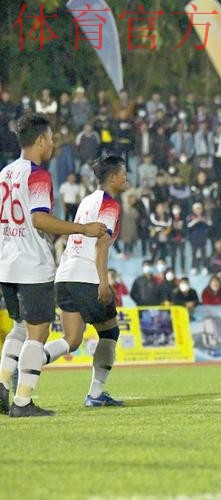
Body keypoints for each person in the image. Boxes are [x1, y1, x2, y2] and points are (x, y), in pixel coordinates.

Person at [0, 113, 107, 417]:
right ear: (42, 141)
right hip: (31, 265)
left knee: (19, 327)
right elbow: (39, 218)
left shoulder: (5, 172)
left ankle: (2, 384)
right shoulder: (38, 175)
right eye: (52, 139)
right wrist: (82, 228)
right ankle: (22, 402)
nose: (53, 145)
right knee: (38, 334)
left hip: (6, 264)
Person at [43, 155, 128, 407]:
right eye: (123, 173)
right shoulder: (110, 204)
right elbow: (101, 244)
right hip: (86, 276)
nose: (125, 178)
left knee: (71, 340)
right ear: (112, 177)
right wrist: (104, 282)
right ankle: (95, 394)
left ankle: (24, 364)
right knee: (110, 331)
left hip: (65, 274)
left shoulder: (87, 201)